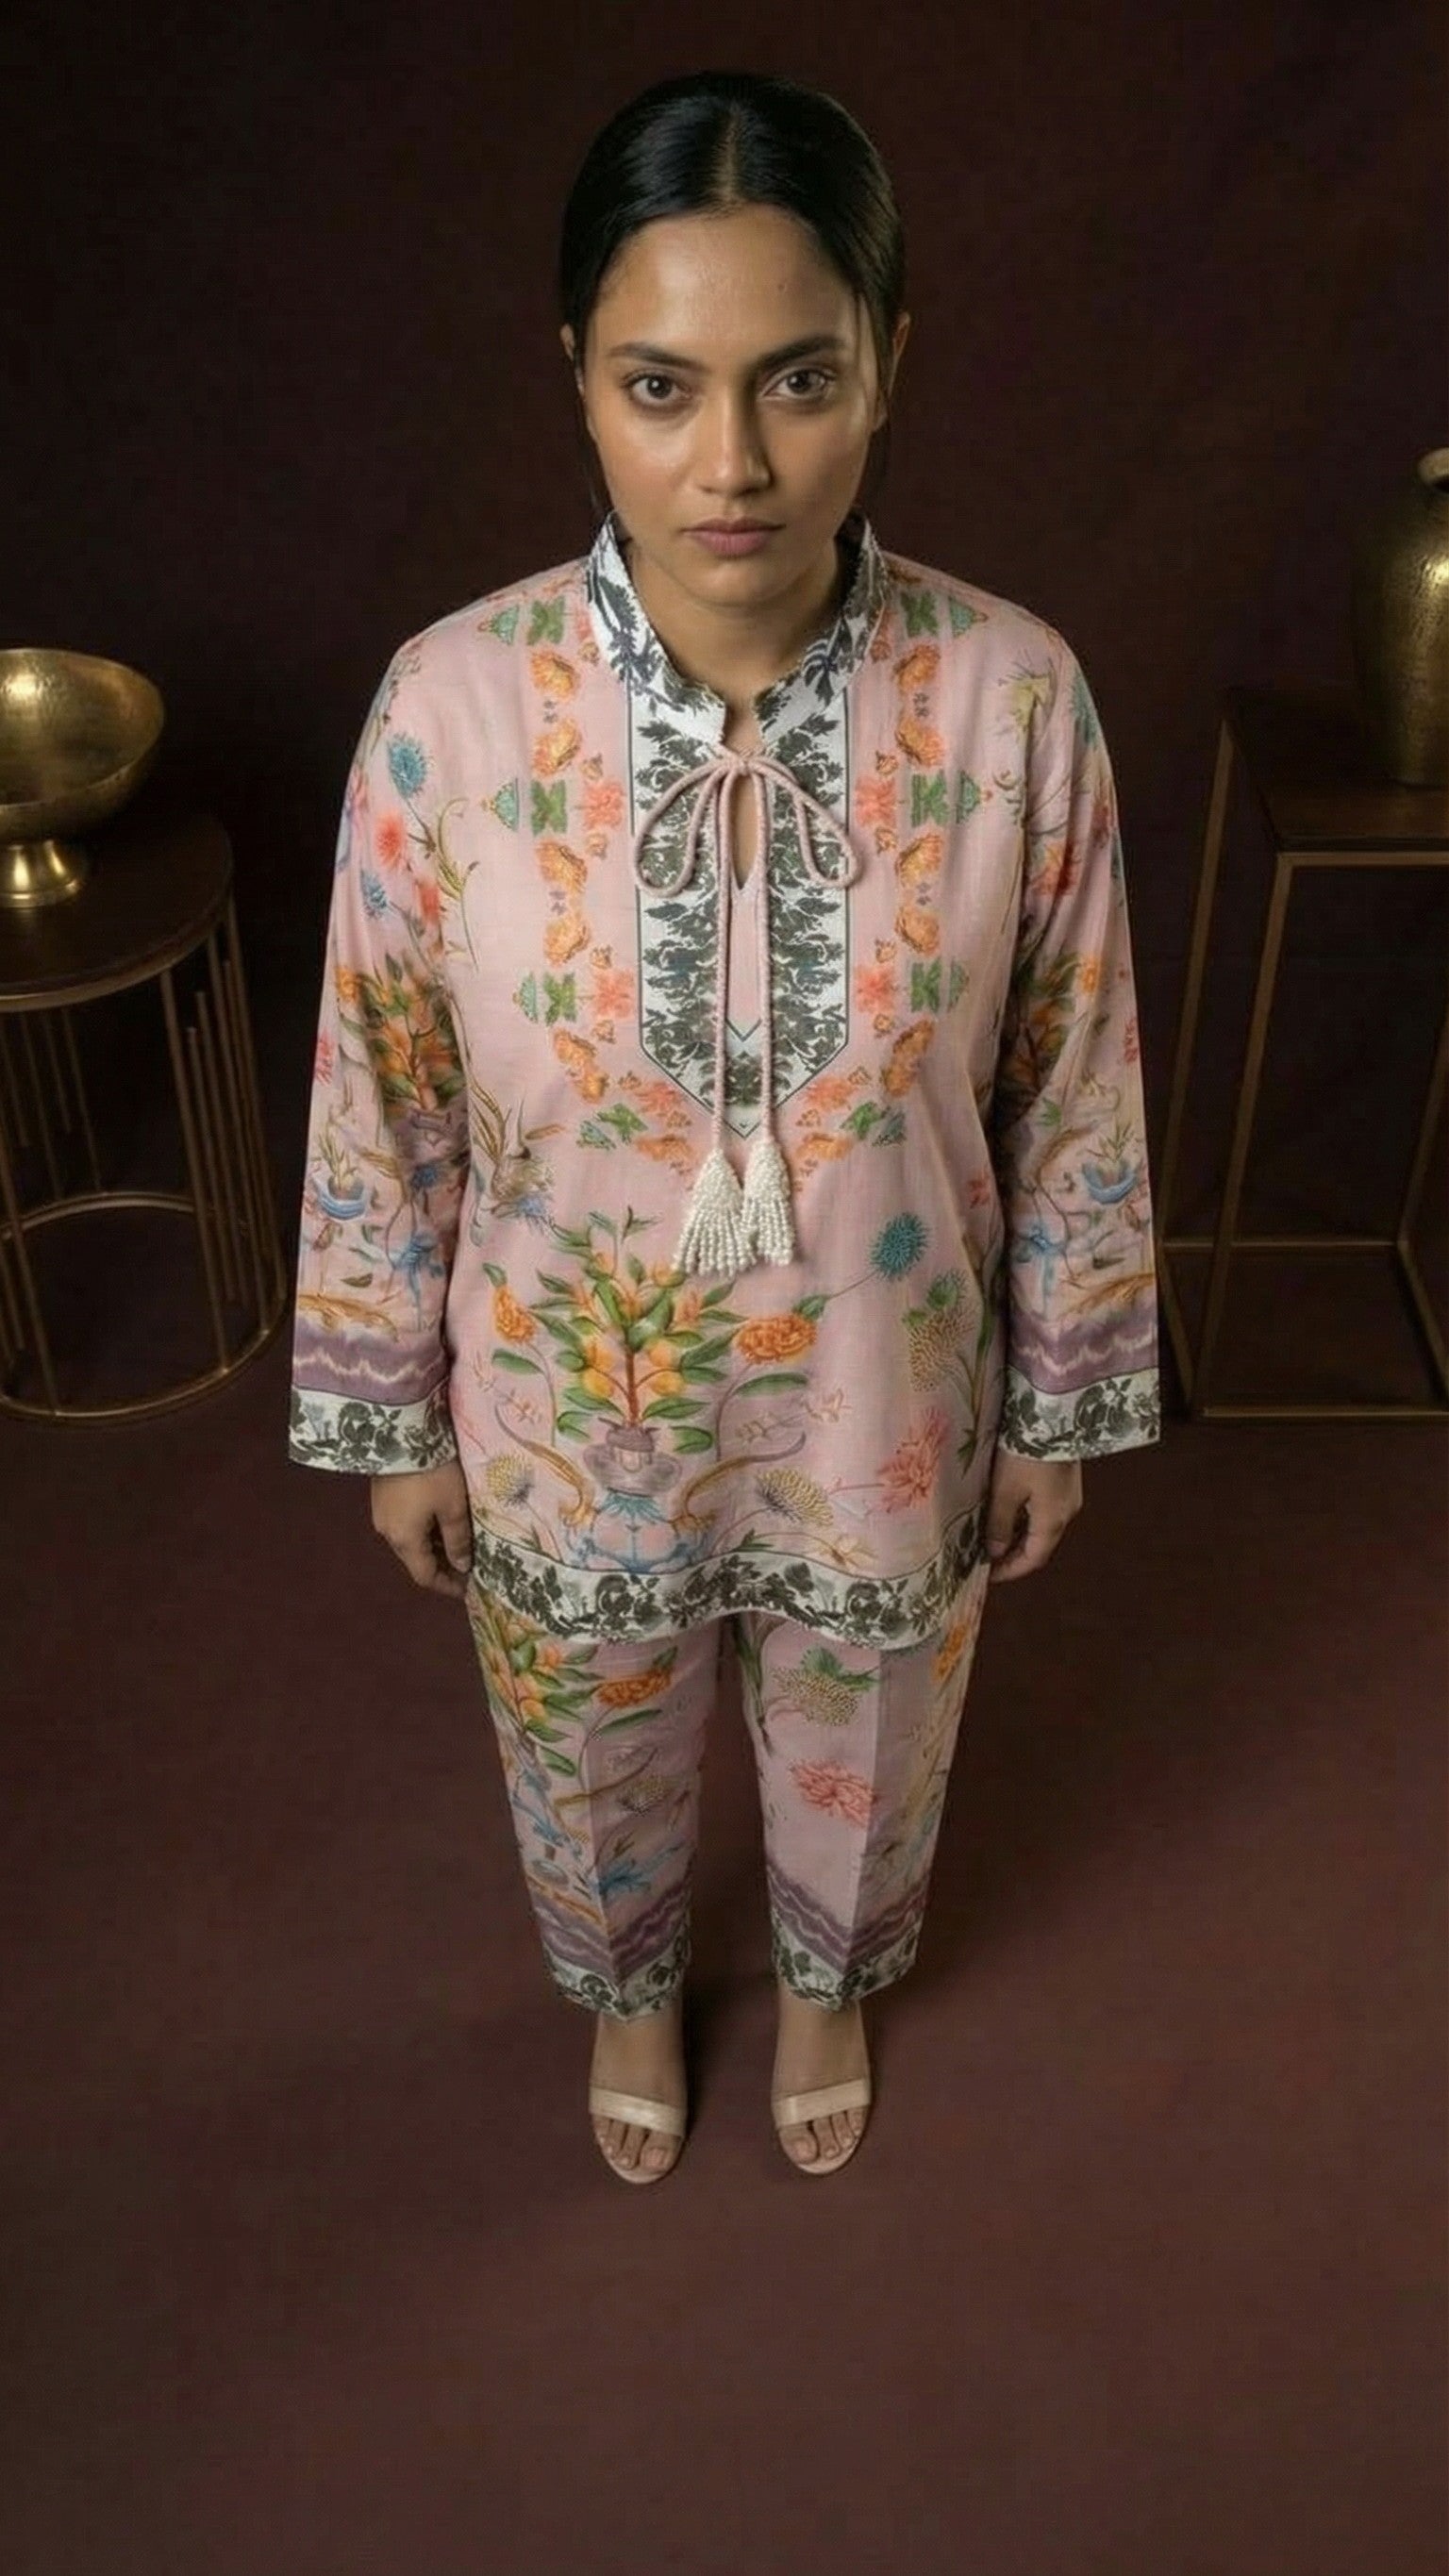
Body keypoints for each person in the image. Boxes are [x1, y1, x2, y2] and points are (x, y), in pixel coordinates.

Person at [288, 69, 1162, 2186]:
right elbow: (379, 1087)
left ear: (889, 366)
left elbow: (1074, 1083)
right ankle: (626, 1985)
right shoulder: (449, 709)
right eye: (662, 387)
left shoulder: (1013, 698)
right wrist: (390, 1413)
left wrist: (1058, 1398)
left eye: (801, 379)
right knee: (584, 1728)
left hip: (888, 1384)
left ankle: (834, 1972)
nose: (735, 463)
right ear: (579, 380)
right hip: (565, 1402)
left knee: (877, 1708)